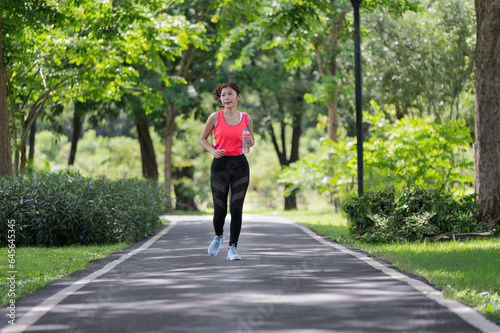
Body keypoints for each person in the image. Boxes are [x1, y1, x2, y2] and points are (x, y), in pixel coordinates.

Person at [199, 82, 255, 260]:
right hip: (220, 165)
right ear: (220, 99)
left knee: (236, 207)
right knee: (220, 210)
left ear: (238, 97)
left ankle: (233, 247)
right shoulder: (215, 117)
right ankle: (218, 236)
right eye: (223, 95)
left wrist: (251, 142)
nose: (226, 98)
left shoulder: (246, 118)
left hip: (240, 165)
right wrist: (213, 151)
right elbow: (202, 138)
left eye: (230, 94)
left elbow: (251, 141)